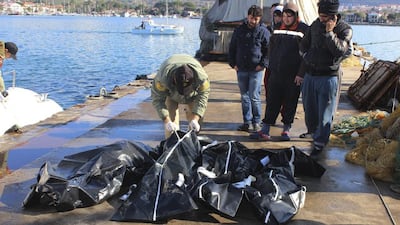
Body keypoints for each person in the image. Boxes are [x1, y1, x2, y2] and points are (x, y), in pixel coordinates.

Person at [297, 0, 353, 156]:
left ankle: (321, 141)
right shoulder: (315, 24)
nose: (321, 19)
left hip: (328, 77)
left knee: (325, 113)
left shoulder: (344, 29)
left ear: (333, 16)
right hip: (310, 74)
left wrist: (329, 34)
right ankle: (313, 133)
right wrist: (307, 57)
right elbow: (304, 45)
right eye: (320, 15)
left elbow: (340, 51)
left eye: (324, 16)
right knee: (310, 109)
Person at [253, 2, 309, 141]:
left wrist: (301, 74)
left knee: (290, 102)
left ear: (295, 16)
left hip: (293, 75)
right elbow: (271, 49)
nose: (286, 19)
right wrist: (270, 67)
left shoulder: (303, 30)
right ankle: (265, 129)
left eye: (289, 16)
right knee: (272, 101)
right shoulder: (277, 28)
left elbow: (306, 55)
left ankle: (286, 129)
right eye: (284, 16)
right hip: (276, 73)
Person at [228, 5, 270, 133]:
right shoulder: (239, 30)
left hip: (256, 69)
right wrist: (232, 63)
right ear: (248, 16)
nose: (253, 21)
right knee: (244, 97)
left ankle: (256, 122)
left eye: (256, 19)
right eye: (251, 18)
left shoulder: (264, 32)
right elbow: (232, 47)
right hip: (241, 68)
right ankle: (247, 122)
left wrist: (262, 65)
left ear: (260, 18)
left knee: (254, 96)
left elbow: (268, 50)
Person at [151, 54, 210, 138]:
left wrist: (195, 119)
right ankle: (172, 144)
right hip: (171, 94)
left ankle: (192, 141)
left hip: (192, 94)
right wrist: (167, 121)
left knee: (196, 125)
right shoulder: (162, 79)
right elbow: (157, 100)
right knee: (171, 128)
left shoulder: (202, 78)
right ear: (174, 80)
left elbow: (202, 98)